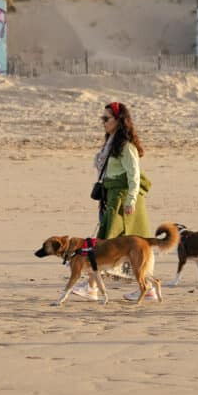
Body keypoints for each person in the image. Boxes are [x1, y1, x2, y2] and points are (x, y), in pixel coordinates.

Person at [73, 101, 155, 302]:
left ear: (119, 121)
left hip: (124, 201)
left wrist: (131, 201)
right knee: (114, 244)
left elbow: (134, 175)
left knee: (106, 243)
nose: (103, 122)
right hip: (112, 197)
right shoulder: (111, 144)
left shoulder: (126, 146)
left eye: (106, 119)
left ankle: (93, 287)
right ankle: (147, 289)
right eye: (102, 118)